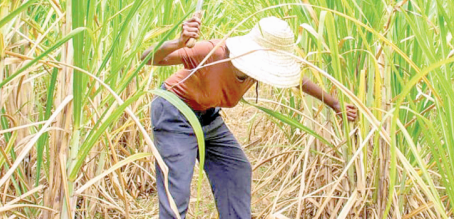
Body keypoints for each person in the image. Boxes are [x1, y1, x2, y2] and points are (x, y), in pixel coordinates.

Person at [142, 12, 357, 219]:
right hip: (175, 113)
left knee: (236, 169)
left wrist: (334, 103)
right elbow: (146, 58)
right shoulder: (212, 52)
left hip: (208, 115)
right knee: (176, 191)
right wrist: (178, 42)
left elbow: (298, 79)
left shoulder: (260, 68)